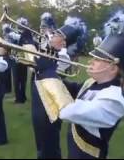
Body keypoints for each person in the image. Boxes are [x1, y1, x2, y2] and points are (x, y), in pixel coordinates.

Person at [34, 7, 124, 159]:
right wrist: (50, 66)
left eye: (98, 59)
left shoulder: (114, 99)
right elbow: (70, 90)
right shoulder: (93, 83)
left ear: (113, 68)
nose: (91, 61)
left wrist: (49, 74)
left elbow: (68, 111)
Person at [32, 14, 88, 159]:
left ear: (63, 43)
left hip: (51, 100)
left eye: (56, 35)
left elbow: (42, 67)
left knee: (48, 139)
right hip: (40, 94)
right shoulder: (50, 50)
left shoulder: (62, 56)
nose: (51, 35)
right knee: (40, 137)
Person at [11, 17, 30, 104]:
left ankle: (20, 97)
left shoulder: (25, 34)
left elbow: (24, 42)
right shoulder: (15, 34)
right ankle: (20, 97)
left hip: (22, 58)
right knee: (19, 79)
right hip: (16, 58)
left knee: (20, 79)